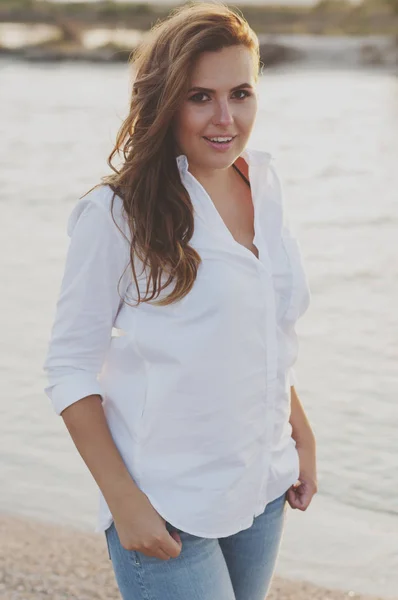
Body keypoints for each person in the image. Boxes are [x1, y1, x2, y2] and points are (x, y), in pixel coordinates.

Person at [43, 2, 317, 599]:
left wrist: (302, 437)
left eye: (240, 93)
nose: (225, 117)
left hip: (263, 485)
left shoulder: (264, 186)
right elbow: (68, 369)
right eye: (200, 97)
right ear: (165, 100)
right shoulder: (116, 215)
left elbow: (265, 335)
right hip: (164, 502)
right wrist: (124, 503)